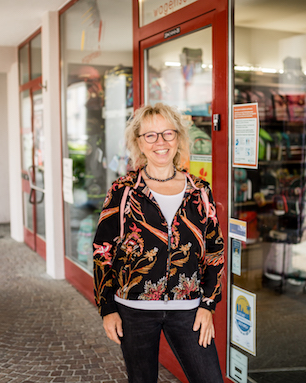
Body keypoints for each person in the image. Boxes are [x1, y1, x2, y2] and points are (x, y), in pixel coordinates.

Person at [93, 103, 225, 383]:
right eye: (150, 135)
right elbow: (103, 250)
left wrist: (208, 304)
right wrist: (107, 308)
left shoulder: (200, 191)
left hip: (189, 308)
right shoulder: (123, 190)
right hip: (133, 309)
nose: (160, 142)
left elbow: (215, 250)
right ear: (139, 142)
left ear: (179, 138)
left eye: (168, 133)